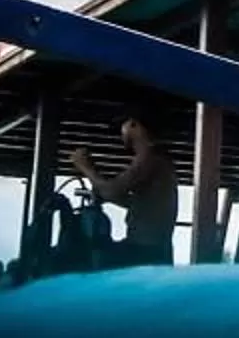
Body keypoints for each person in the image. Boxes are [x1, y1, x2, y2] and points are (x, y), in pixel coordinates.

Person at [68, 110, 180, 267]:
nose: (121, 133)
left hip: (144, 250)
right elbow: (138, 203)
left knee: (79, 257)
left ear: (134, 125)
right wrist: (102, 190)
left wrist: (85, 166)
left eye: (123, 126)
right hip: (153, 249)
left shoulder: (150, 157)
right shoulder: (158, 159)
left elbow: (112, 191)